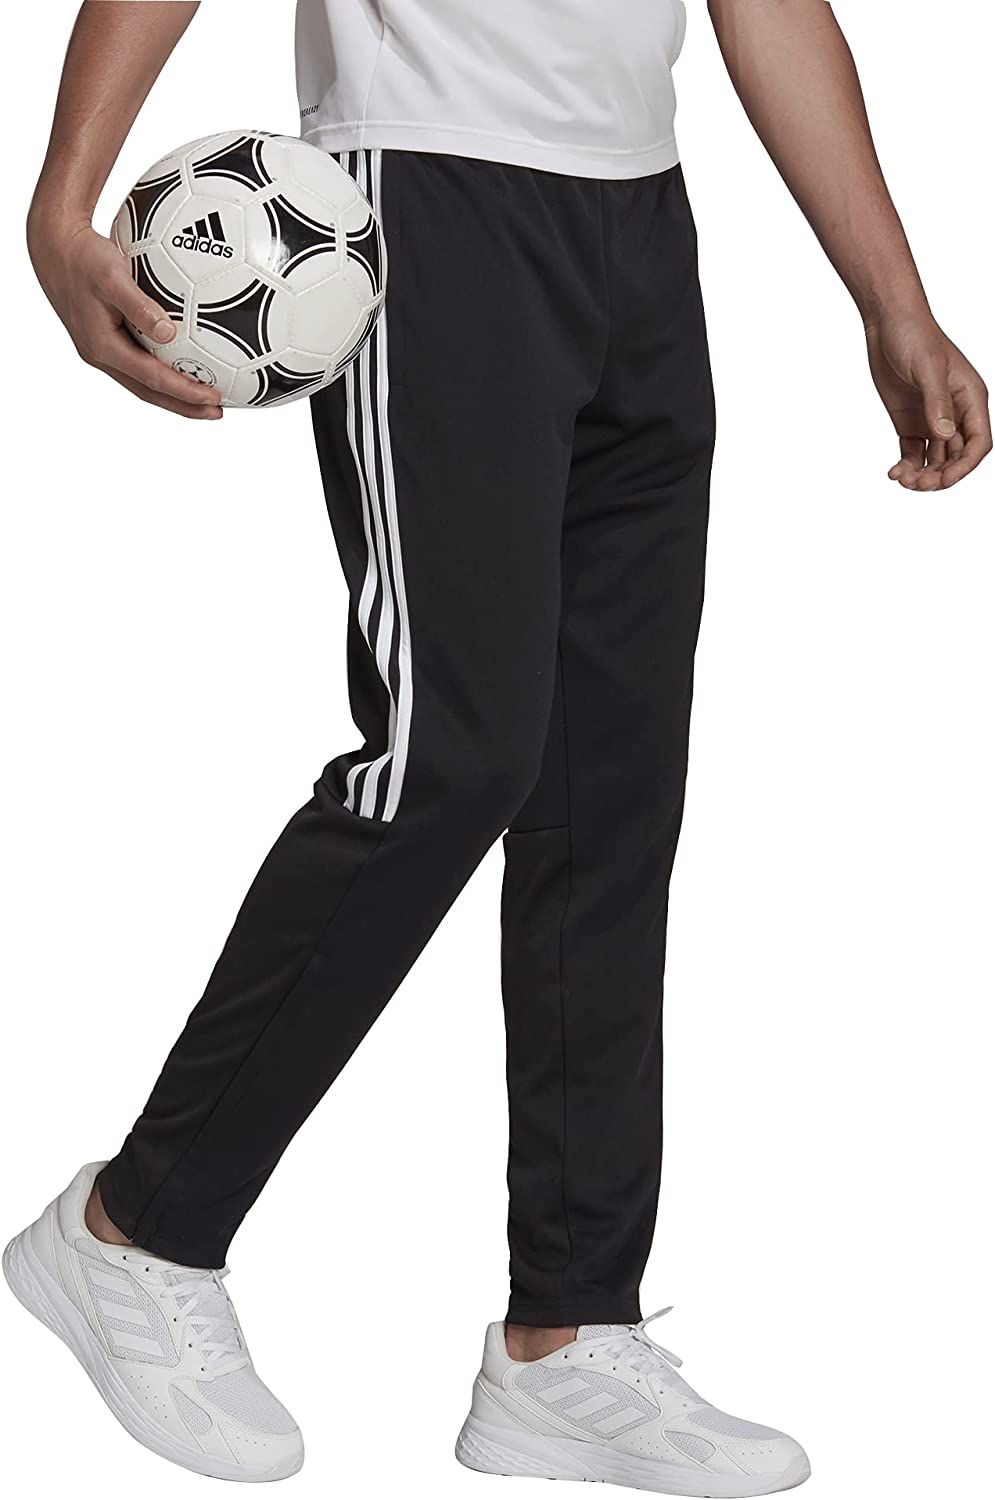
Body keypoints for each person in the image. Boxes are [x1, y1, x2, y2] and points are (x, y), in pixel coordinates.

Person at [5, 0, 989, 1490]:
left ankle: (568, 1333)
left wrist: (892, 300)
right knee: (452, 759)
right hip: (424, 195)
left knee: (613, 792)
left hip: (640, 223)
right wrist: (61, 204)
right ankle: (133, 1230)